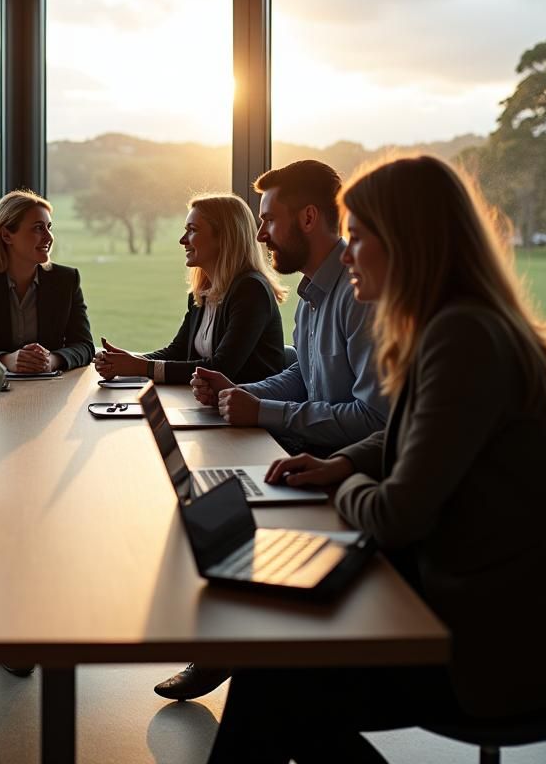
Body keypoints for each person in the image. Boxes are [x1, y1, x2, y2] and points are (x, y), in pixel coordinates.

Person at [206, 154, 546, 763]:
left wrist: (334, 492)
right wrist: (343, 465)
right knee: (275, 673)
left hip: (490, 652)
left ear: (408, 243)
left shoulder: (461, 339)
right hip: (475, 612)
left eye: (359, 238)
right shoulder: (461, 327)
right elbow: (413, 432)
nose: (345, 254)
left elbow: (398, 515)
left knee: (274, 677)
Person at [157, 160, 389, 701]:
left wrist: (264, 414)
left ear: (308, 218)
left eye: (268, 219)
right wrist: (245, 394)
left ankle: (231, 645)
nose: (260, 234)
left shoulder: (359, 298)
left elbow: (374, 420)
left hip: (342, 469)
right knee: (211, 494)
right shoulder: (312, 291)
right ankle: (227, 644)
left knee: (228, 505)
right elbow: (302, 375)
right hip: (323, 458)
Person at [93, 193, 285, 384]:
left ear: (224, 237)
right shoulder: (203, 291)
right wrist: (128, 361)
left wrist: (139, 367)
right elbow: (177, 352)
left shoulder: (251, 290)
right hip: (212, 406)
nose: (183, 240)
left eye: (192, 230)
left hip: (249, 411)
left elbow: (221, 368)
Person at [0, 189, 94, 373]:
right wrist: (5, 360)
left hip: (50, 388)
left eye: (49, 227)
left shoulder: (66, 280)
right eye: (38, 228)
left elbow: (84, 346)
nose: (49, 237)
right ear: (7, 235)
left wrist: (52, 360)